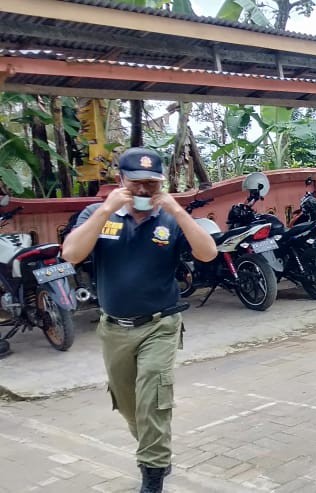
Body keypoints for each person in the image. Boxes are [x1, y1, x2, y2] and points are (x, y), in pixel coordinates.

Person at [61, 148, 218, 493]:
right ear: (120, 182)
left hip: (160, 325)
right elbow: (71, 254)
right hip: (114, 329)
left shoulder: (170, 218)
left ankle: (153, 470)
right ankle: (153, 448)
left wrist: (177, 209)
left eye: (152, 184)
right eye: (136, 184)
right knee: (129, 404)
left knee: (153, 399)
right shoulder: (98, 214)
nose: (144, 192)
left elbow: (208, 252)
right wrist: (106, 209)